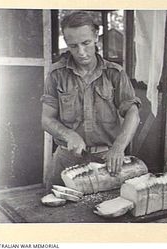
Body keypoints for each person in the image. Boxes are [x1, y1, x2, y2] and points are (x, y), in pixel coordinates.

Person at [41, 11, 141, 190]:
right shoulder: (56, 74)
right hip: (66, 158)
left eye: (86, 43)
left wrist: (118, 147)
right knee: (53, 210)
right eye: (73, 46)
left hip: (107, 159)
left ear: (96, 36)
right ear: (66, 42)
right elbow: (46, 119)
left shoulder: (115, 73)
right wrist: (69, 135)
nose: (81, 52)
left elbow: (133, 112)